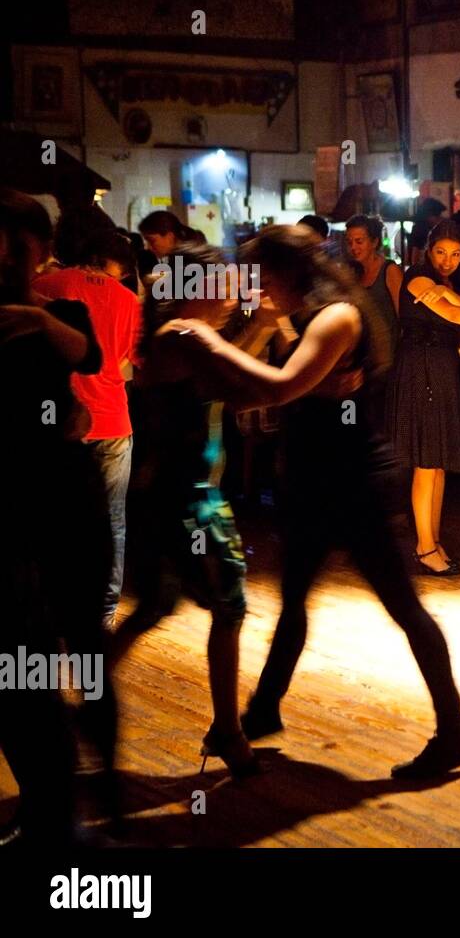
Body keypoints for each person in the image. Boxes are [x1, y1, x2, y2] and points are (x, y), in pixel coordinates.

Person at [163, 224, 460, 779]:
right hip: (313, 478)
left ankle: (453, 730)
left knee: (402, 607)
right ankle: (260, 713)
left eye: (260, 276)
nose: (253, 288)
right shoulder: (296, 318)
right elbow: (251, 389)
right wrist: (255, 336)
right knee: (294, 600)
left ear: (285, 272)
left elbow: (278, 387)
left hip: (353, 482)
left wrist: (211, 342)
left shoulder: (337, 317)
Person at [108, 241, 259, 779]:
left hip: (175, 496)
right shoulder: (183, 337)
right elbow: (253, 385)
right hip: (187, 501)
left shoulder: (188, 338)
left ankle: (84, 703)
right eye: (222, 282)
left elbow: (234, 385)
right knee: (228, 606)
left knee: (155, 607)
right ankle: (228, 733)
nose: (231, 291)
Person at [0, 189, 113, 845]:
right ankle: (52, 810)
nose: (11, 256)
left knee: (57, 653)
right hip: (19, 497)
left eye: (22, 243)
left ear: (42, 250)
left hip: (59, 500)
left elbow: (90, 357)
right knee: (20, 663)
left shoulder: (58, 313)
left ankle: (64, 811)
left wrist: (39, 322)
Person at [33, 229, 143, 628]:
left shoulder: (42, 285)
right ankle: (104, 614)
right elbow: (136, 361)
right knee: (112, 522)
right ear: (104, 260)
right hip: (113, 420)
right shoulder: (129, 300)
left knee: (56, 521)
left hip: (59, 423)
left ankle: (56, 612)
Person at [389, 219, 460, 576]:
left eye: (456, 254)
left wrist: (450, 292)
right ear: (429, 251)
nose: (448, 260)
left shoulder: (447, 283)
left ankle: (434, 540)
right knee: (426, 463)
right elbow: (458, 314)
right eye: (442, 252)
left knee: (438, 463)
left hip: (440, 370)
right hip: (421, 370)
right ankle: (425, 546)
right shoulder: (417, 276)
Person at [344, 214, 401, 398]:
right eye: (349, 242)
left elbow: (404, 318)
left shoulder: (389, 271)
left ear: (375, 242)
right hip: (361, 363)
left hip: (388, 362)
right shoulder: (352, 274)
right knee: (354, 419)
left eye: (359, 241)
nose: (353, 247)